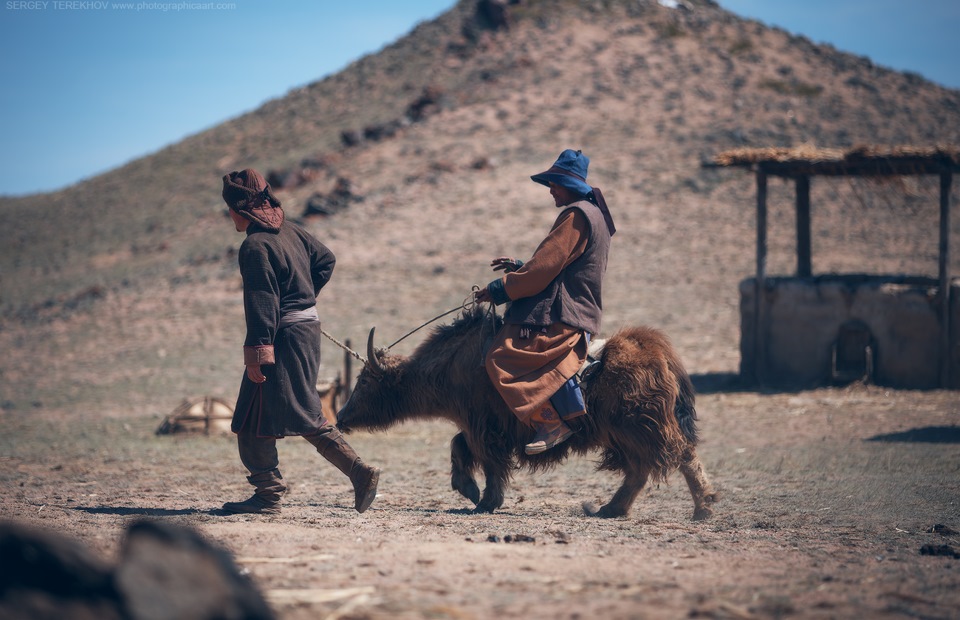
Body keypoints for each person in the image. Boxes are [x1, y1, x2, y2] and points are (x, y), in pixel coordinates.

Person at [219, 168, 379, 515]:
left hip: (282, 337)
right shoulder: (292, 232)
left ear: (238, 209)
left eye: (229, 208)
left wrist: (258, 352)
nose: (229, 215)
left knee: (290, 413)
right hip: (303, 332)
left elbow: (262, 302)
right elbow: (325, 260)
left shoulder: (255, 246)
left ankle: (353, 473)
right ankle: (269, 491)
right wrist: (303, 297)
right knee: (258, 414)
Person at [474, 149, 615, 455]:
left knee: (499, 357)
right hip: (576, 308)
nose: (551, 189)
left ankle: (551, 423)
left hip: (566, 314)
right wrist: (520, 267)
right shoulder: (594, 215)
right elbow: (555, 266)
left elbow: (542, 271)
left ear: (570, 185)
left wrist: (498, 290)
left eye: (555, 183)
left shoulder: (576, 215)